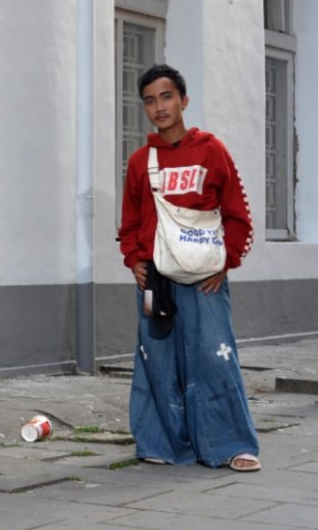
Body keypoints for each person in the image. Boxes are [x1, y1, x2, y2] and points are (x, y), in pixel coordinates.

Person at [119, 64, 260, 471]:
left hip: (205, 280)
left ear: (184, 100)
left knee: (214, 358)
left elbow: (238, 214)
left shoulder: (211, 150)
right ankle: (162, 444)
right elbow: (129, 220)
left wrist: (227, 261)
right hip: (156, 278)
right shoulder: (140, 161)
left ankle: (231, 444)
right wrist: (134, 261)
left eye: (166, 97)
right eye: (149, 100)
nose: (159, 107)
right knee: (156, 361)